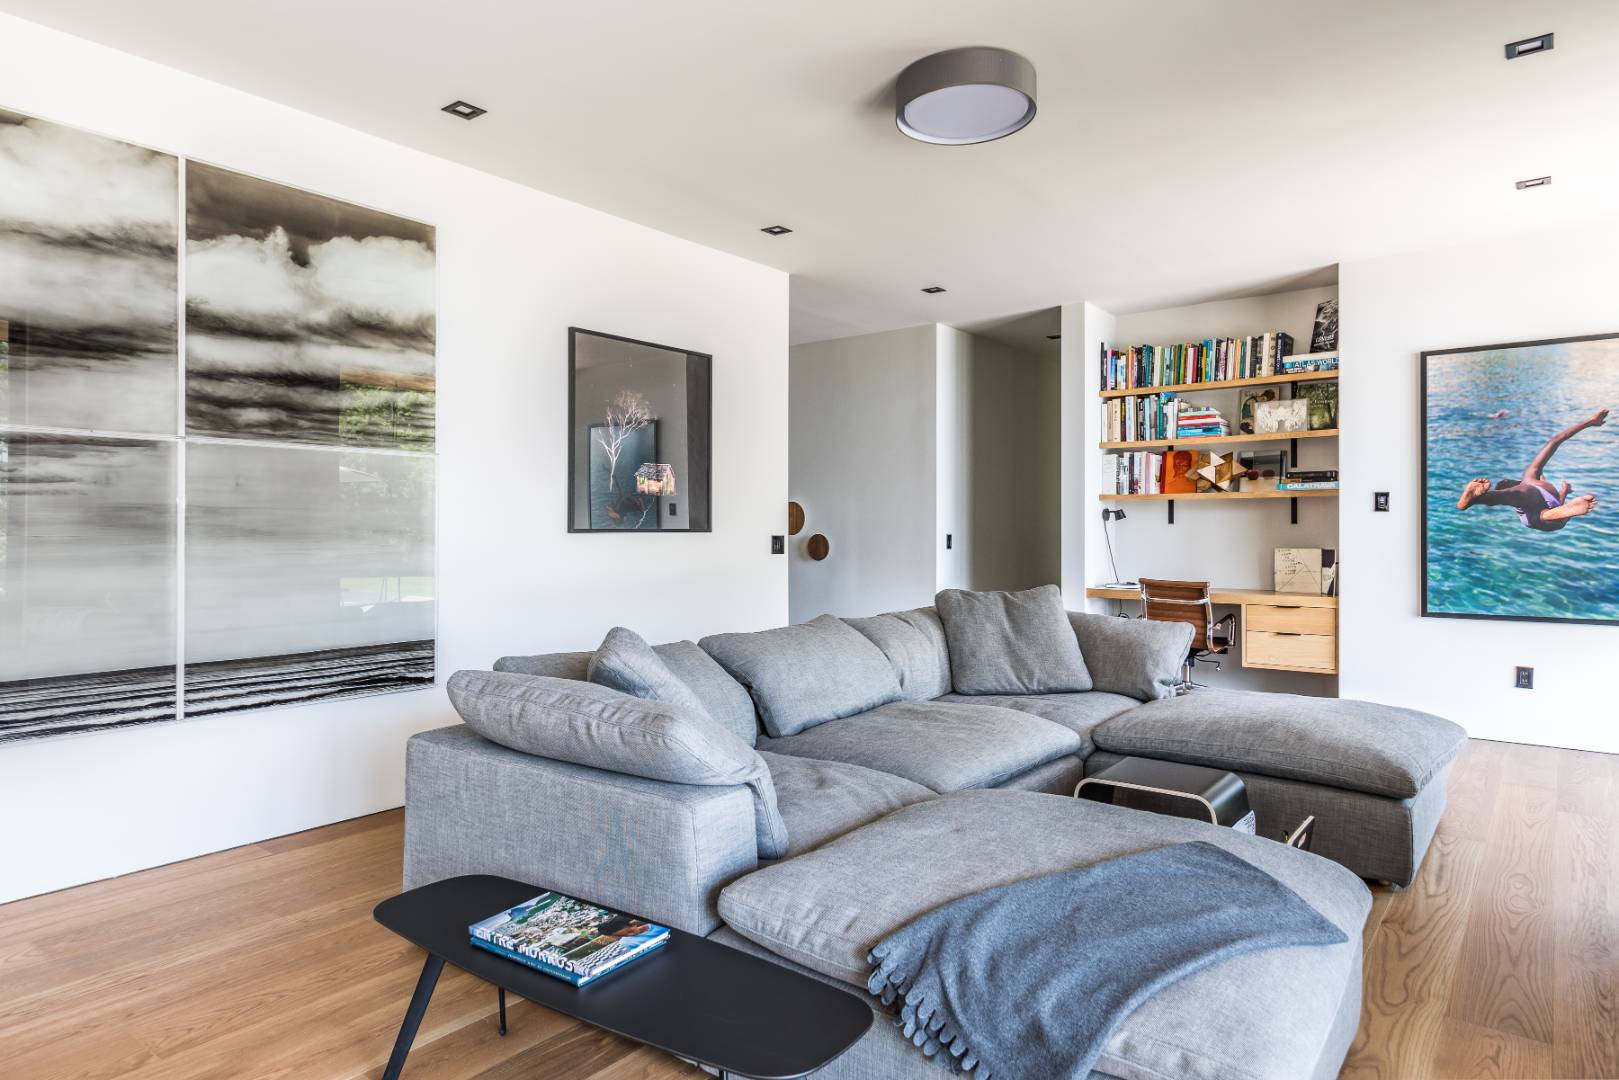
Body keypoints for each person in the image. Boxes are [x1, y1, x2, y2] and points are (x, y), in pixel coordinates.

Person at [1456, 409, 1606, 531]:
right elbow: (1555, 441)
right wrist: (1590, 421)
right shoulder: (1531, 476)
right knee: (1546, 515)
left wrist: (1565, 494)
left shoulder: (1529, 481)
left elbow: (1555, 442)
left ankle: (1473, 500)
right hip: (1543, 513)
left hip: (1539, 510)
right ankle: (1561, 513)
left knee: (1511, 498)